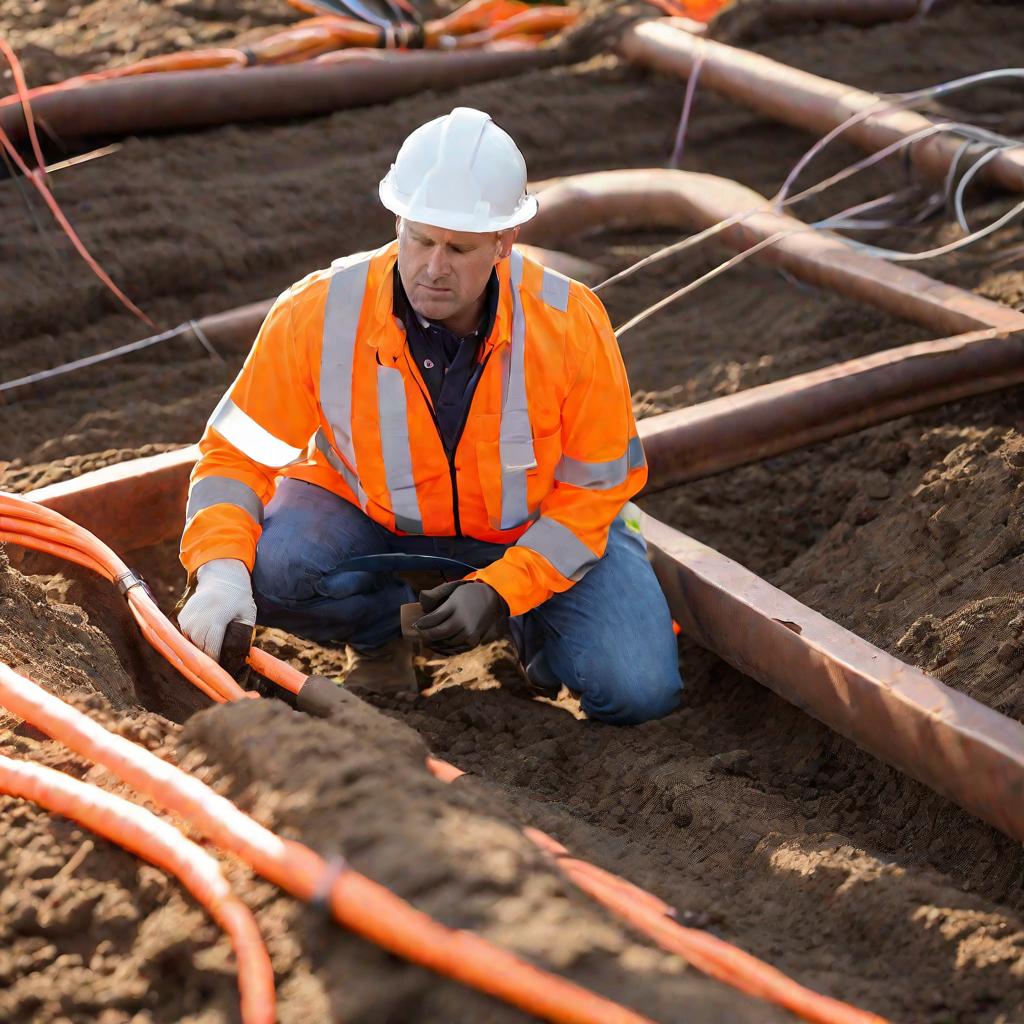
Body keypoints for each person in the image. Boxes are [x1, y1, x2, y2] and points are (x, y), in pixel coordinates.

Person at [177, 106, 682, 725]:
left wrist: (501, 589)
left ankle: (535, 632)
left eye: (459, 248)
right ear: (398, 222)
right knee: (274, 569)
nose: (433, 267)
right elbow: (234, 456)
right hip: (375, 519)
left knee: (636, 691)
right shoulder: (319, 311)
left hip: (533, 531)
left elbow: (595, 489)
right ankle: (380, 636)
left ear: (504, 242)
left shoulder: (568, 321)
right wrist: (221, 570)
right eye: (420, 239)